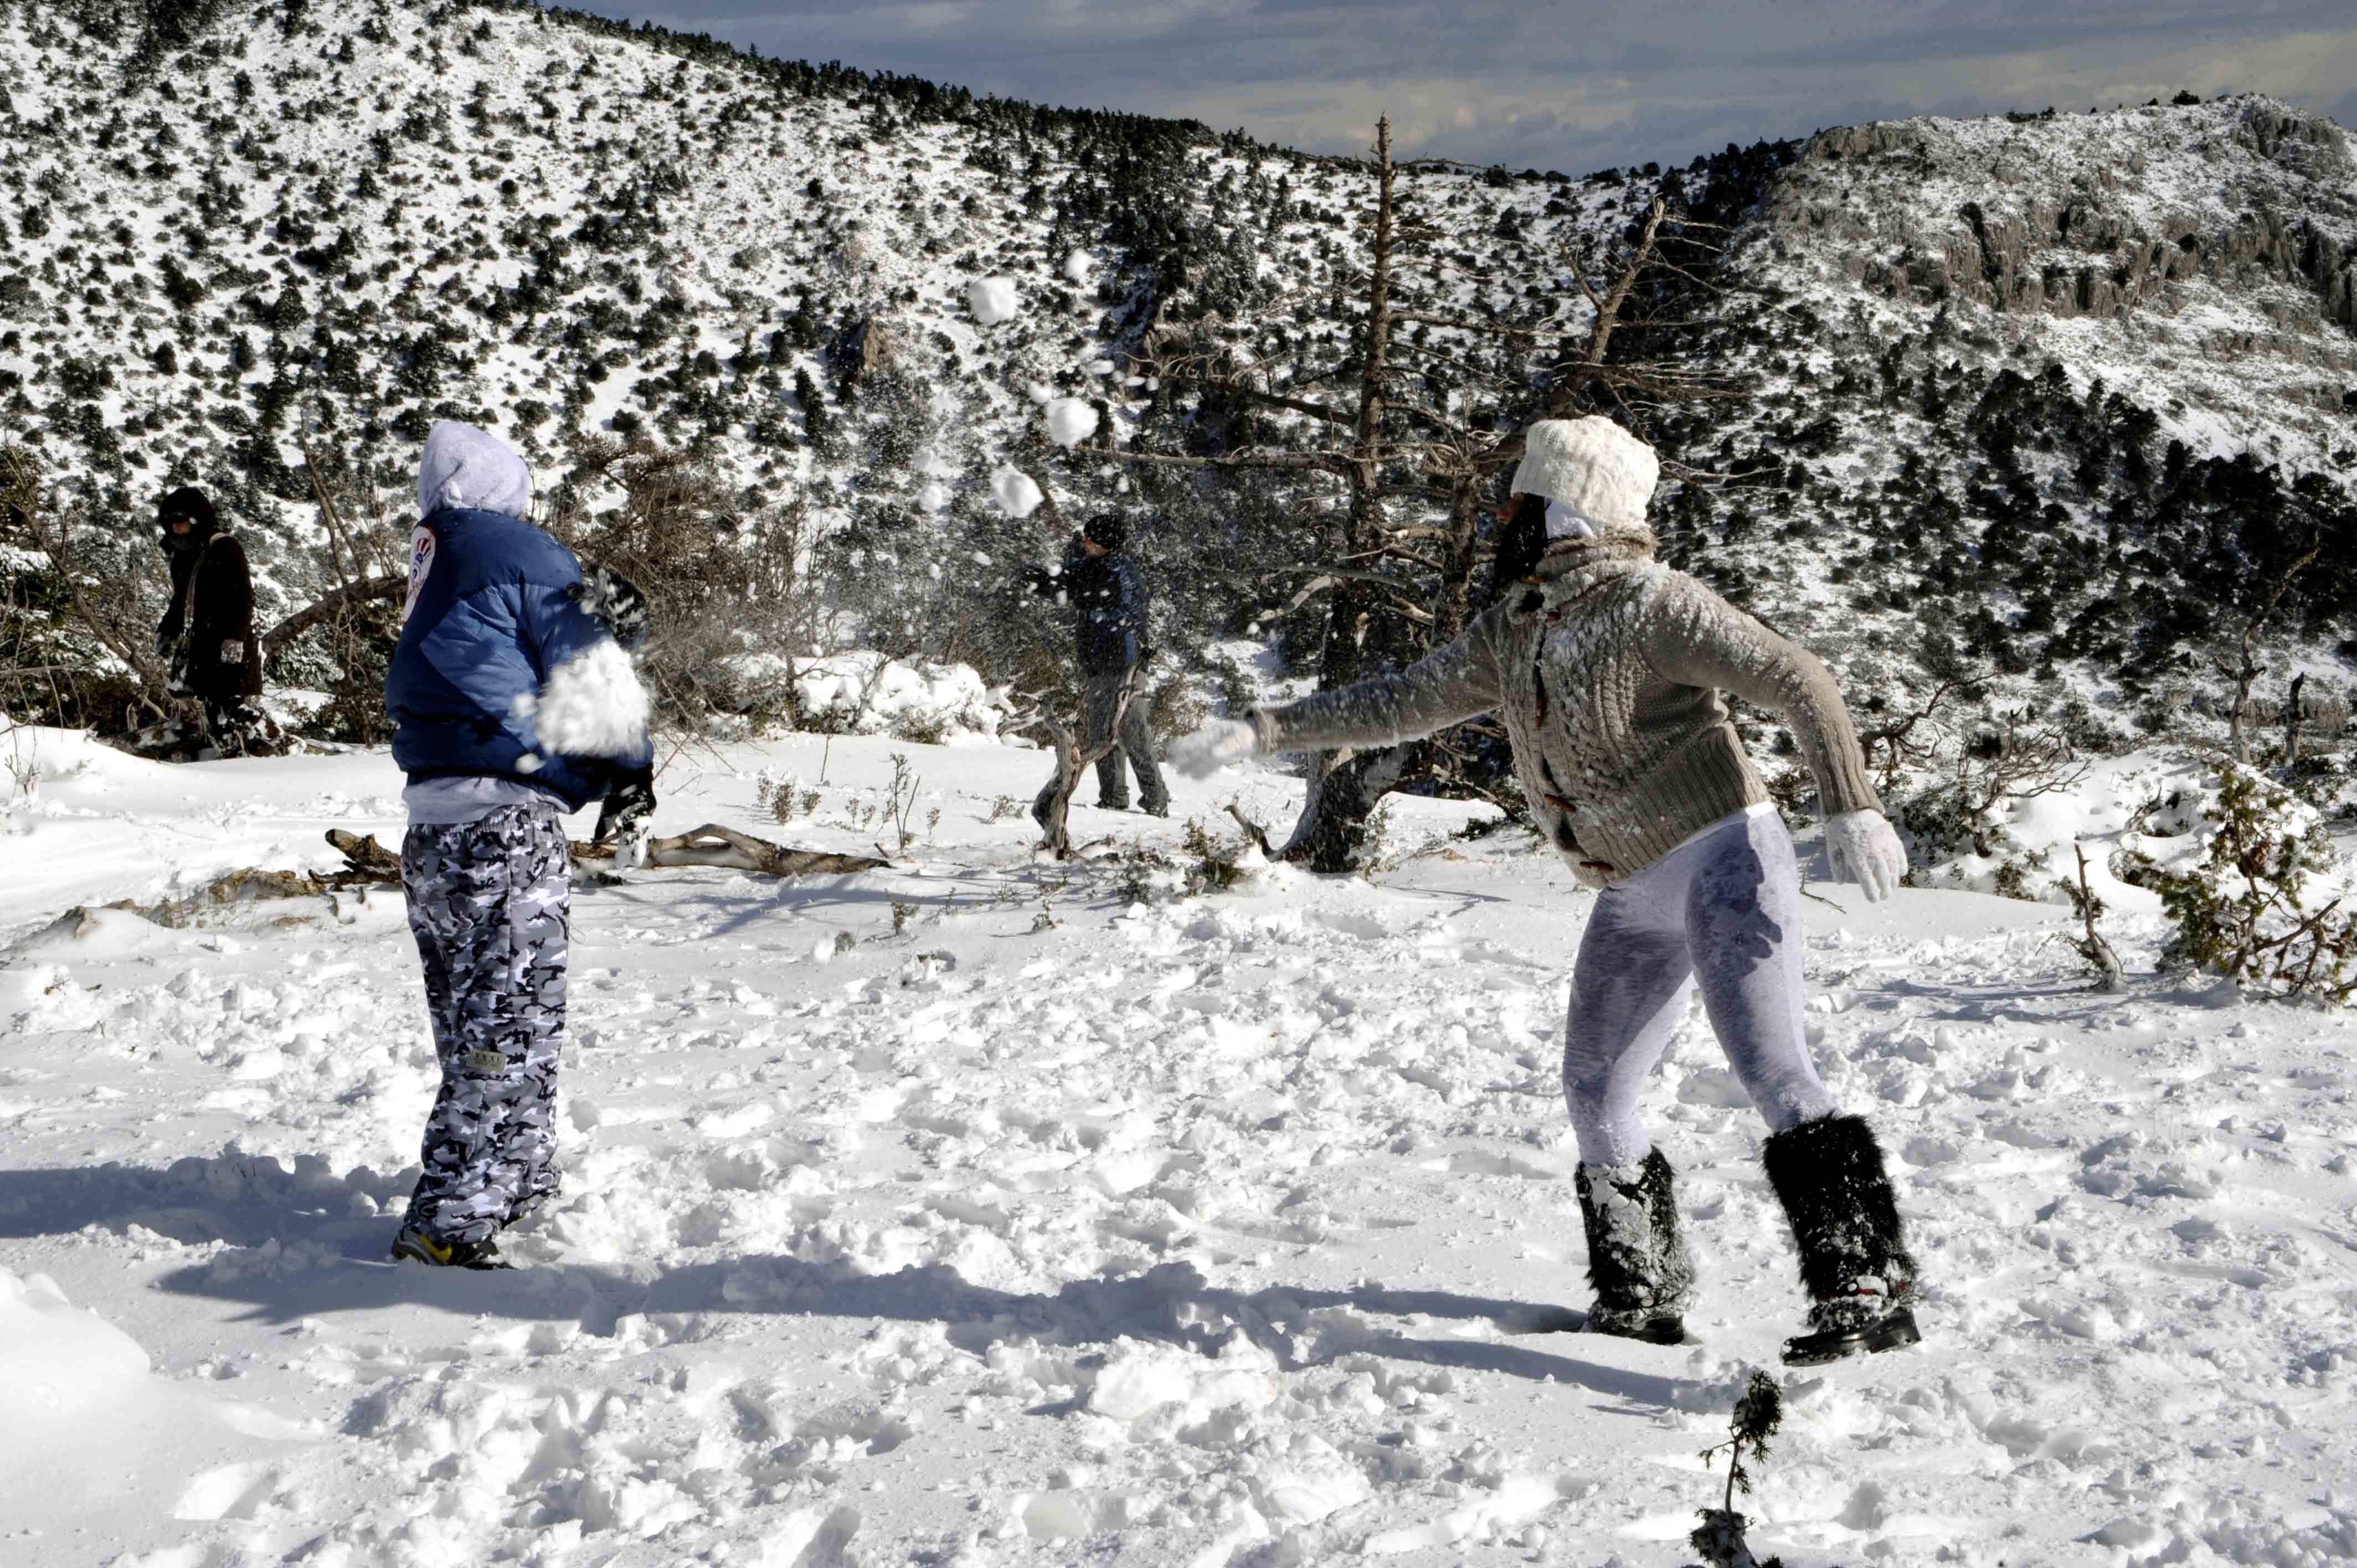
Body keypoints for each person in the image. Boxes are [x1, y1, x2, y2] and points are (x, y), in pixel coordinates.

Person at [1171, 416, 1919, 1366]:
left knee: (1772, 1072)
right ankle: (1639, 1292)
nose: (1499, 518)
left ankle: (1867, 1281)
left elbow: (1795, 677)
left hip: (1726, 855)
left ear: (1566, 508)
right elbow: (1404, 698)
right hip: (1628, 888)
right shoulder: (1518, 624)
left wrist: (1848, 806)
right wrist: (1266, 732)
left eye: (1515, 502)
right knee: (1594, 1087)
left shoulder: (1656, 603)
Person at [382, 421, 656, 1269]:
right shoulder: (519, 551)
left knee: (480, 1023)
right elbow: (592, 679)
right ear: (506, 483)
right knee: (511, 1024)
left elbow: (487, 675)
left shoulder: (436, 562)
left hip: (433, 831)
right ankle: (452, 1220)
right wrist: (629, 772)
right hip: (501, 829)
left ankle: (515, 1174)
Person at [1025, 511, 1167, 823]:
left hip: (1126, 664)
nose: (1084, 540)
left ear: (1105, 542)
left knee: (1134, 731)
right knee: (1103, 732)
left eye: (1090, 537)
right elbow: (1062, 580)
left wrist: (1078, 596)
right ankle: (1113, 798)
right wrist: (1034, 579)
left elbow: (1114, 608)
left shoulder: (1122, 572)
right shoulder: (1091, 567)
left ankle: (1156, 800)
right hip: (1099, 663)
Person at [155, 486, 264, 755]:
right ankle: (230, 759)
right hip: (203, 643)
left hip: (228, 641)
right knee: (215, 709)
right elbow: (181, 599)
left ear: (197, 520)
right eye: (172, 525)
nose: (176, 530)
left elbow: (243, 597)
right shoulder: (183, 555)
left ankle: (257, 759)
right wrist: (167, 630)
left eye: (181, 524)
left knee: (233, 709)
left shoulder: (224, 547)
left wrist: (235, 639)